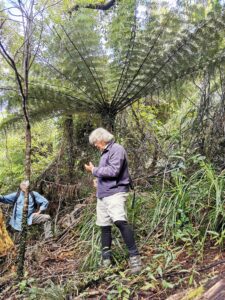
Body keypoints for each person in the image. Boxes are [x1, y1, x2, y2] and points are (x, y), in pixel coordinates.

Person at [85, 127, 142, 274]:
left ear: (101, 139)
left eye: (95, 143)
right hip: (103, 194)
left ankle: (135, 259)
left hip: (116, 192)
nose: (95, 146)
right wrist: (98, 181)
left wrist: (94, 170)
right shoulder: (104, 153)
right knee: (104, 226)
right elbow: (106, 174)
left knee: (119, 221)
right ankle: (106, 262)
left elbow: (114, 171)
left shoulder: (117, 149)